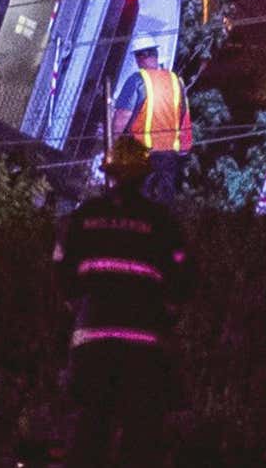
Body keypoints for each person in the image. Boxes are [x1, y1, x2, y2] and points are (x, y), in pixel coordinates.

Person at [54, 137, 192, 468]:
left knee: (89, 430)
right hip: (143, 346)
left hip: (92, 342)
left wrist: (82, 314)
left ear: (109, 173)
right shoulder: (161, 223)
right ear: (145, 177)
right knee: (141, 438)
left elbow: (61, 275)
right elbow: (182, 281)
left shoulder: (82, 219)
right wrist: (164, 319)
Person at [111, 35, 193, 204]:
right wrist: (184, 149)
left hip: (142, 154)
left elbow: (122, 118)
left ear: (140, 57)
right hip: (170, 156)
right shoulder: (176, 81)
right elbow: (184, 117)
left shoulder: (137, 81)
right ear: (155, 54)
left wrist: (114, 147)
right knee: (164, 205)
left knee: (137, 205)